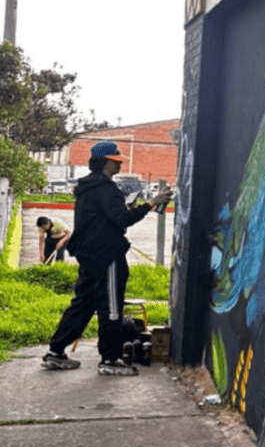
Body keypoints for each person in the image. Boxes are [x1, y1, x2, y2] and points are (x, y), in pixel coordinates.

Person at [40, 141, 174, 375]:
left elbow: (107, 217)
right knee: (111, 307)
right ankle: (110, 360)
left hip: (89, 254)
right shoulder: (106, 189)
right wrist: (152, 203)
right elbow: (121, 220)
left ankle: (56, 352)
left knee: (83, 304)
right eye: (116, 161)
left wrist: (128, 207)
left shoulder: (87, 187)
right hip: (107, 255)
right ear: (105, 162)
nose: (119, 164)